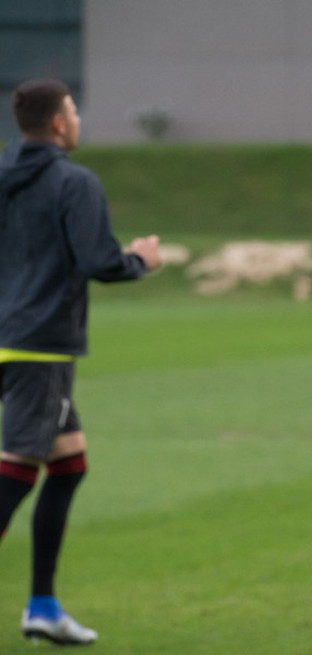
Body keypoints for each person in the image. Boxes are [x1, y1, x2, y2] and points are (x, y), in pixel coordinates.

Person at [0, 78, 162, 645]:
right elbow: (101, 261)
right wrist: (140, 259)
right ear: (61, 123)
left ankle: (42, 606)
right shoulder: (74, 181)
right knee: (16, 470)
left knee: (67, 465)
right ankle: (41, 606)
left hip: (8, 336)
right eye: (73, 110)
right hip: (39, 344)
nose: (76, 119)